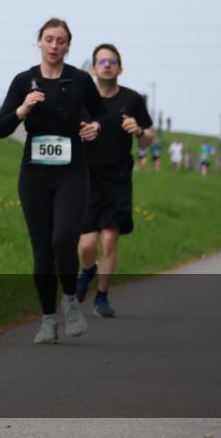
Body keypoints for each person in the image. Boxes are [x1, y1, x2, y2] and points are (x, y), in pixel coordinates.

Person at [0, 18, 105, 343]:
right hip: (34, 174)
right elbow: (1, 128)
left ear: (68, 45)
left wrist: (95, 128)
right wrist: (22, 109)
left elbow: (101, 114)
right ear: (39, 42)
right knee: (42, 250)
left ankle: (69, 299)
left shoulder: (81, 80)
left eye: (60, 41)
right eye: (49, 39)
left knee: (63, 240)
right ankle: (47, 319)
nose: (54, 46)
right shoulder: (23, 80)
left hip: (73, 172)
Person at [74, 44, 153, 318]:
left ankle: (102, 298)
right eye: (101, 60)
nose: (107, 65)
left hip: (117, 177)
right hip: (85, 176)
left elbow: (149, 136)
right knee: (86, 245)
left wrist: (139, 130)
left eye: (112, 61)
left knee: (109, 239)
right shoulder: (82, 100)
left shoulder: (132, 99)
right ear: (94, 67)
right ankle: (88, 270)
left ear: (120, 68)